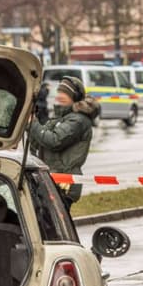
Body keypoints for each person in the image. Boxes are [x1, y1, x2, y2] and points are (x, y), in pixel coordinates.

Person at [28, 76, 100, 211]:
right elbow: (39, 142)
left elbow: (54, 141)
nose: (60, 96)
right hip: (51, 180)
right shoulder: (60, 117)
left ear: (75, 97)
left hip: (64, 183)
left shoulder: (78, 121)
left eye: (65, 93)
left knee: (54, 226)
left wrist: (33, 123)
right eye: (59, 91)